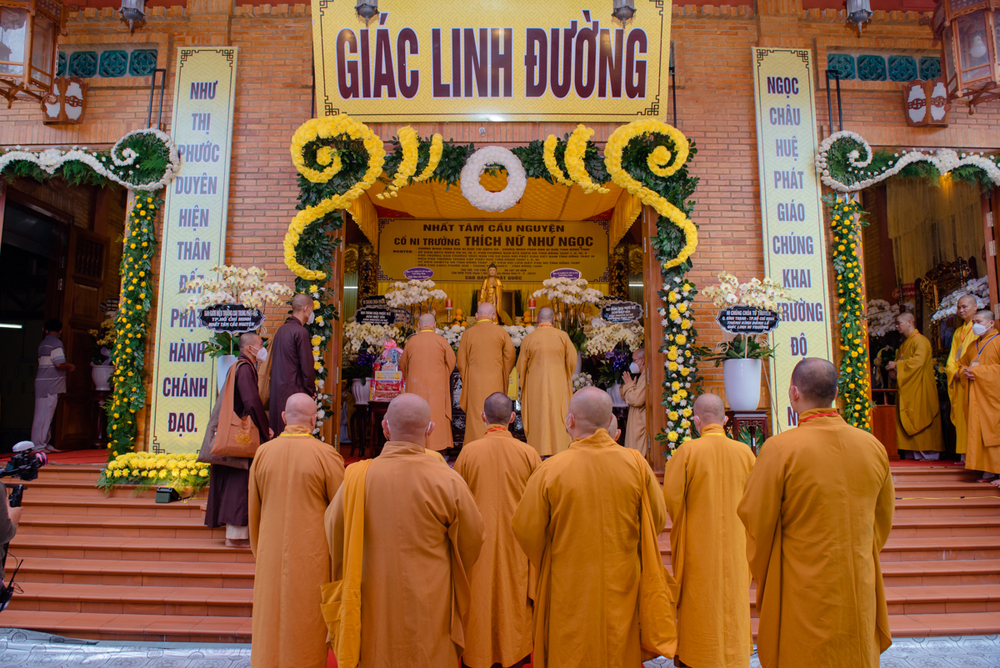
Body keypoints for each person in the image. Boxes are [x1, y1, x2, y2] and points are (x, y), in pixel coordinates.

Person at [738, 358, 894, 668]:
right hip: (856, 581)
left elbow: (756, 517)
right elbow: (882, 519)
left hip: (803, 585)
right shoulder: (872, 446)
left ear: (793, 393)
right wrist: (854, 547)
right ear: (835, 392)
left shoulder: (781, 449)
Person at [512, 387, 672, 667]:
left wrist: (552, 556)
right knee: (618, 646)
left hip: (569, 583)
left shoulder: (551, 470)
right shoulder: (636, 465)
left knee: (571, 649)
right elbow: (656, 519)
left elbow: (526, 529)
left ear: (570, 421)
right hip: (622, 580)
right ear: (611, 419)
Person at [324, 393, 485, 667]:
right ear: (430, 430)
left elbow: (333, 531)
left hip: (372, 599)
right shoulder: (447, 480)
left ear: (384, 428)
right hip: (430, 600)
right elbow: (473, 540)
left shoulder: (356, 477)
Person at [249, 394, 345, 668]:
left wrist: (262, 550)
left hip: (270, 555)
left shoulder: (264, 453)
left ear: (283, 418)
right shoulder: (326, 455)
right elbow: (340, 512)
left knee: (270, 622)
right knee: (306, 624)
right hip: (311, 558)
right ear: (314, 420)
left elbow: (253, 510)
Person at [662, 393, 755, 668]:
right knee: (734, 596)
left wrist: (690, 521)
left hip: (699, 543)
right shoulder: (745, 453)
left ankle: (698, 655)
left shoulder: (687, 452)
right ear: (725, 420)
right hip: (738, 543)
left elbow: (672, 500)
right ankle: (735, 654)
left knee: (700, 598)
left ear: (696, 420)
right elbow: (754, 500)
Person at [454, 393, 541, 668]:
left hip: (477, 547)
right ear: (513, 419)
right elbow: (541, 506)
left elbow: (455, 502)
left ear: (483, 417)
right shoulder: (528, 453)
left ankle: (477, 656)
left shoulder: (469, 452)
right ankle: (514, 654)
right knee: (514, 603)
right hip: (518, 548)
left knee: (479, 603)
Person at [200, 332, 270, 548]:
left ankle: (236, 534)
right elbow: (251, 401)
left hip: (231, 437)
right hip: (240, 438)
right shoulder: (245, 369)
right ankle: (236, 536)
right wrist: (266, 429)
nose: (262, 348)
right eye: (260, 344)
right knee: (240, 484)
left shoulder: (237, 367)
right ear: (250, 348)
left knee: (234, 482)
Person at [516, 307, 576, 457]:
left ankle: (539, 451)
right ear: (554, 320)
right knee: (558, 414)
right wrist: (563, 374)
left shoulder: (529, 339)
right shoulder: (562, 336)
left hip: (535, 387)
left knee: (538, 415)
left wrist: (523, 383)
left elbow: (520, 367)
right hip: (558, 385)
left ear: (537, 320)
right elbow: (572, 362)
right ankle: (560, 449)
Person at [457, 303, 516, 444]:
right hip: (495, 381)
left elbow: (460, 361)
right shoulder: (501, 332)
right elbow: (510, 355)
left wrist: (467, 377)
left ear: (477, 316)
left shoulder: (468, 333)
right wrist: (503, 373)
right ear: (493, 316)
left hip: (474, 382)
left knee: (476, 414)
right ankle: (496, 444)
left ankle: (473, 445)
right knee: (495, 412)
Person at [887, 312, 942, 460]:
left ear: (910, 322)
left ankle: (929, 454)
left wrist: (897, 365)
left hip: (920, 388)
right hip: (908, 387)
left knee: (921, 416)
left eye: (899, 323)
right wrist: (893, 370)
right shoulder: (905, 343)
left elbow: (917, 362)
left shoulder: (921, 341)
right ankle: (912, 452)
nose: (897, 326)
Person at [399, 313, 457, 452]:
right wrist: (442, 375)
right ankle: (438, 447)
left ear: (418, 326)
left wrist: (412, 376)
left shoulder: (411, 341)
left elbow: (403, 364)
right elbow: (452, 361)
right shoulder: (441, 340)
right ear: (434, 326)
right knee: (436, 414)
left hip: (416, 388)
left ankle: (416, 445)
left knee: (416, 413)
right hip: (437, 389)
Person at [957, 310, 1000, 481]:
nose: (975, 325)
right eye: (974, 321)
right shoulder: (972, 345)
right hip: (976, 397)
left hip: (993, 398)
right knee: (979, 432)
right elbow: (961, 365)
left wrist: (979, 372)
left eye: (979, 321)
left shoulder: (997, 342)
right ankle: (987, 469)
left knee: (994, 433)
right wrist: (964, 373)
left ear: (991, 324)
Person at [268, 294, 317, 437]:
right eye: (312, 310)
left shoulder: (281, 330)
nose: (311, 314)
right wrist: (310, 389)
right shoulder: (301, 332)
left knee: (279, 431)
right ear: (306, 308)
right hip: (294, 390)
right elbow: (307, 366)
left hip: (278, 389)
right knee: (294, 432)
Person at [31, 319, 74, 453]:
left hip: (42, 382)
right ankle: (38, 445)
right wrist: (71, 366)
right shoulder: (56, 343)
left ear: (46, 330)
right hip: (49, 385)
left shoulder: (43, 343)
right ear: (60, 331)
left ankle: (44, 442)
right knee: (44, 415)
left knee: (44, 414)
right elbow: (59, 363)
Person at [947, 295, 979, 459]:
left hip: (971, 379)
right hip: (959, 379)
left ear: (975, 307)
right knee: (961, 417)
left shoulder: (978, 328)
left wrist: (963, 371)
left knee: (972, 417)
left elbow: (978, 355)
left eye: (965, 306)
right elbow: (952, 357)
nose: (961, 310)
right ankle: (965, 455)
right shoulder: (958, 332)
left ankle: (974, 456)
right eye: (959, 307)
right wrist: (953, 372)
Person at [620, 348, 647, 456]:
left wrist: (629, 385)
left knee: (636, 453)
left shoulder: (646, 376)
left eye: (634, 360)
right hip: (635, 418)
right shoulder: (642, 375)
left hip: (639, 421)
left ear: (642, 361)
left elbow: (637, 399)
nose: (632, 364)